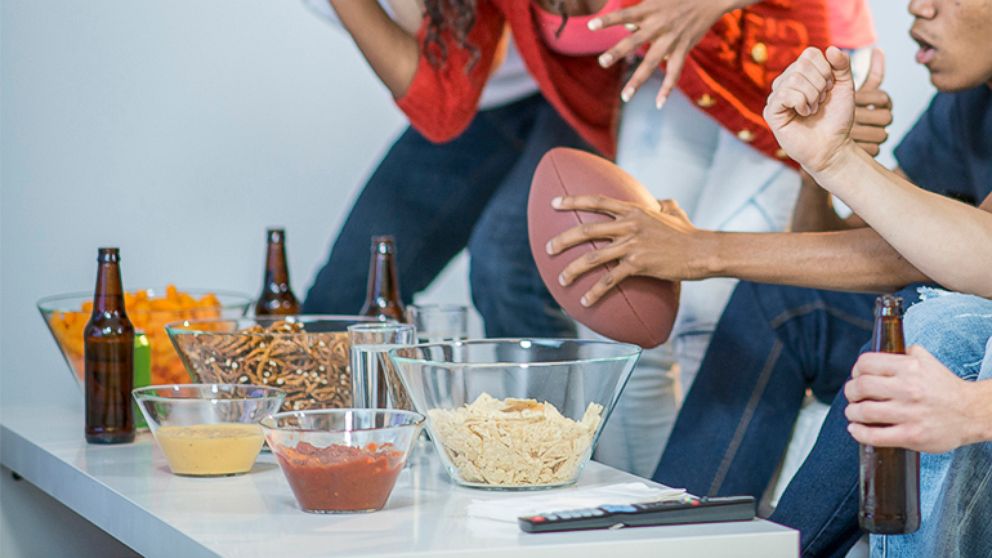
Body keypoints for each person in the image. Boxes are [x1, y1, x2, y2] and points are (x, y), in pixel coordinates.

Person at [546, 0, 992, 553]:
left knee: (936, 320)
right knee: (777, 299)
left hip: (961, 332)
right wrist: (824, 164)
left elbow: (931, 263)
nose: (916, 7)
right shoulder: (965, 104)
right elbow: (850, 242)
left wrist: (701, 252)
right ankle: (676, 539)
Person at [306, 0, 830, 345]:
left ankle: (554, 461)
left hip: (600, 74)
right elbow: (440, 89)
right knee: (338, 301)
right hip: (520, 81)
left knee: (509, 266)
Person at [593, 0, 881, 476]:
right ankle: (644, 518)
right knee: (620, 309)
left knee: (712, 314)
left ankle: (707, 523)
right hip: (686, 54)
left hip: (798, 49)